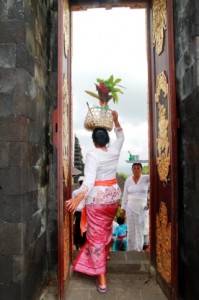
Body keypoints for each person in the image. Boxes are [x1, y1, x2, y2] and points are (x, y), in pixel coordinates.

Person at [66, 110, 124, 294]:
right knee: (106, 229)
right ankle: (105, 255)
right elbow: (121, 136)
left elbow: (89, 182)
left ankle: (102, 278)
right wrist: (116, 120)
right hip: (113, 199)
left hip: (98, 201)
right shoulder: (114, 150)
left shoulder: (93, 154)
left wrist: (77, 198)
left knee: (96, 238)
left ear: (93, 141)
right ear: (107, 140)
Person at [121, 163, 149, 251]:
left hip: (142, 207)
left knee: (140, 227)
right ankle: (131, 249)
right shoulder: (128, 180)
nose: (136, 170)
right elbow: (125, 195)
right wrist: (123, 208)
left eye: (138, 168)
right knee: (131, 228)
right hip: (130, 206)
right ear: (132, 170)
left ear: (141, 169)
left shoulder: (146, 178)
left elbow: (156, 176)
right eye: (134, 168)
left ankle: (139, 249)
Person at [73, 176, 87, 250]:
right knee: (84, 228)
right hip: (85, 212)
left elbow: (73, 204)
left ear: (79, 183)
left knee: (77, 228)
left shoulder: (75, 192)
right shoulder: (87, 192)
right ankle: (83, 244)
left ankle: (77, 244)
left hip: (78, 213)